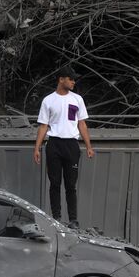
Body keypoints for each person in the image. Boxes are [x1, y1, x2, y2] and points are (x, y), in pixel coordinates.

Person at [33, 66, 95, 229]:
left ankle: (73, 219)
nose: (74, 82)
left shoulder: (77, 99)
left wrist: (88, 145)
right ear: (61, 79)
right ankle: (57, 217)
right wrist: (37, 148)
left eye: (74, 79)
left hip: (71, 144)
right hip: (54, 143)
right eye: (71, 79)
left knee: (70, 185)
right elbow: (43, 125)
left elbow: (82, 123)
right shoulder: (48, 100)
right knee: (54, 183)